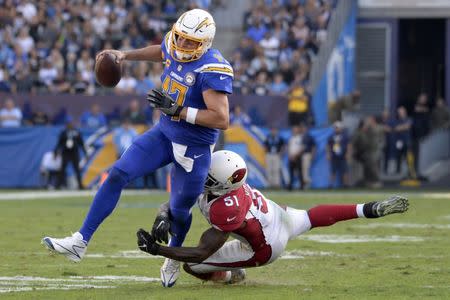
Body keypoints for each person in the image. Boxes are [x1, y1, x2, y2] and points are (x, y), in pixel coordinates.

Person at [42, 9, 232, 288]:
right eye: (180, 38)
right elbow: (162, 51)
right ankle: (79, 241)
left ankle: (172, 256)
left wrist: (179, 110)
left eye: (190, 42)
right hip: (164, 133)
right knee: (118, 172)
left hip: (194, 147)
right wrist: (125, 55)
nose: (182, 45)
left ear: (205, 43)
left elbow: (221, 118)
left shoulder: (212, 67)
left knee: (179, 210)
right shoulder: (174, 44)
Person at [136, 150, 409, 284]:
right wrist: (164, 215)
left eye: (208, 175)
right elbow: (180, 199)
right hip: (279, 214)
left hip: (266, 245)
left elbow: (200, 252)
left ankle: (234, 276)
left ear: (220, 184)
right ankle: (368, 208)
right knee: (312, 216)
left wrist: (158, 249)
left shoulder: (223, 207)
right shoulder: (225, 183)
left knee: (193, 267)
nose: (202, 176)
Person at [54, 117, 87, 190]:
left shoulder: (76, 132)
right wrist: (55, 152)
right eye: (68, 123)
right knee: (62, 169)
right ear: (66, 124)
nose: (69, 124)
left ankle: (80, 185)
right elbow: (59, 143)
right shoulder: (64, 132)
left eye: (70, 123)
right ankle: (58, 185)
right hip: (66, 152)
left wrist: (85, 152)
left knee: (77, 169)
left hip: (74, 152)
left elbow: (81, 143)